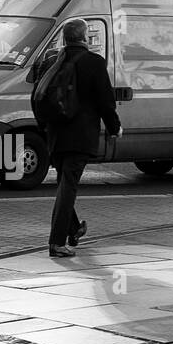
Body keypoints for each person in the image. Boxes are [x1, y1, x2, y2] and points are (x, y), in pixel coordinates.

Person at [33, 20, 121, 258]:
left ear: (64, 38)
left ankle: (73, 230)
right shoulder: (93, 62)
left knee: (64, 185)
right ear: (84, 38)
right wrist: (115, 127)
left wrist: (45, 126)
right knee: (68, 187)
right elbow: (105, 100)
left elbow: (37, 96)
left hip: (55, 134)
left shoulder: (52, 61)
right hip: (80, 135)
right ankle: (56, 243)